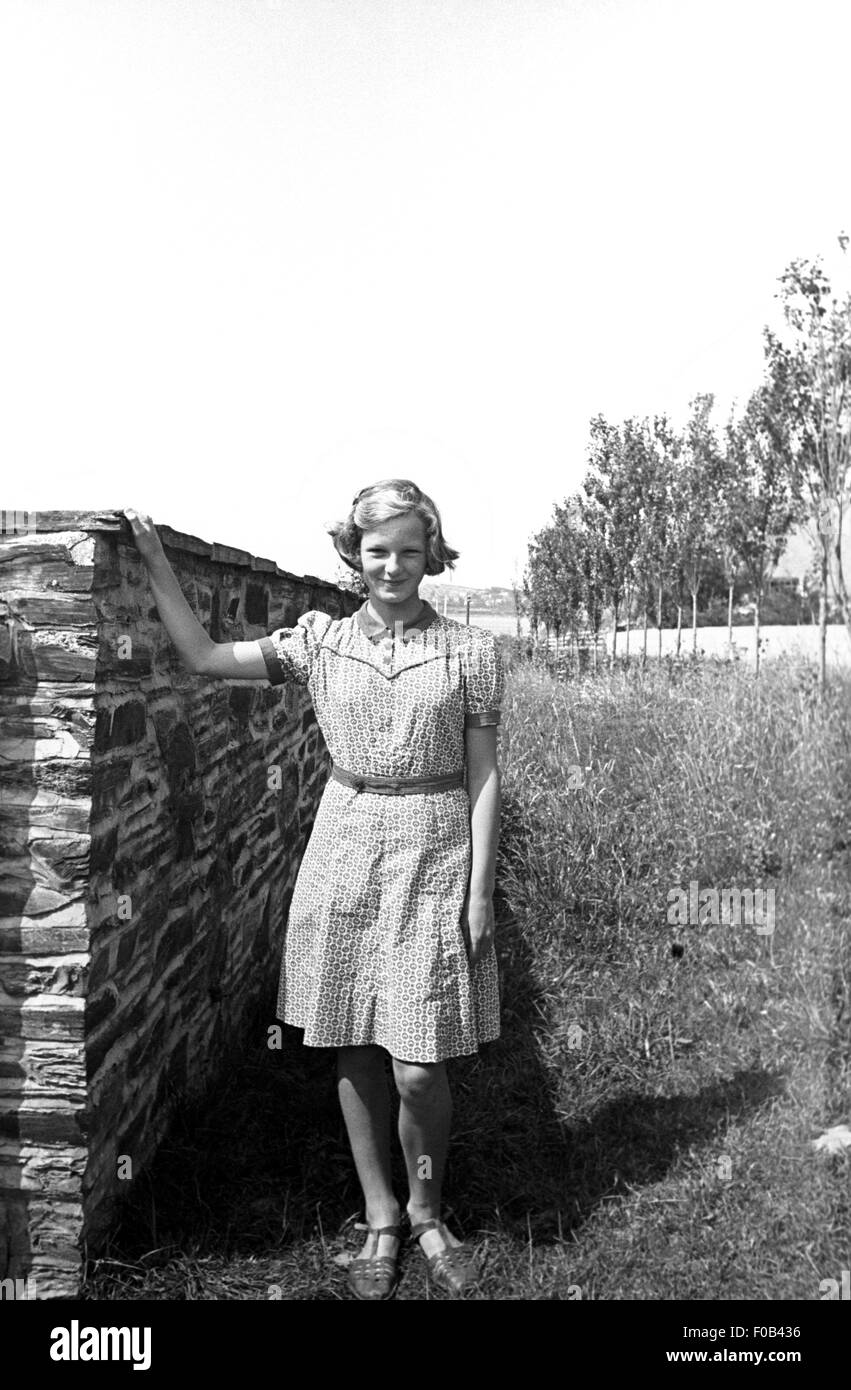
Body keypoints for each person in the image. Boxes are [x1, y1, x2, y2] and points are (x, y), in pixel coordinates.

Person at [121, 479, 503, 1300]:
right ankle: (381, 1218)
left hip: (435, 847)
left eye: (408, 549)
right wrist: (154, 562)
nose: (393, 565)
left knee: (417, 1064)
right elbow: (204, 659)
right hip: (344, 846)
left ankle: (430, 1209)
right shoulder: (319, 642)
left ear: (430, 552)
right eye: (377, 551)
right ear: (353, 555)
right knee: (352, 1042)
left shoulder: (471, 651)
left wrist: (478, 891)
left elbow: (482, 775)